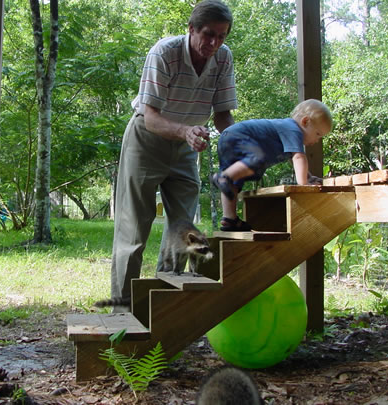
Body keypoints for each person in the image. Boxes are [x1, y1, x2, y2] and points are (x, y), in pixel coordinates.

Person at [110, 0, 237, 311]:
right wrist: (186, 131)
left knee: (184, 229)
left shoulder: (223, 58)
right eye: (208, 35)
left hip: (184, 148)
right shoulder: (164, 52)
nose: (214, 43)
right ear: (191, 29)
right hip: (146, 140)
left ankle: (164, 305)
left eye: (221, 36)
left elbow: (222, 116)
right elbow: (151, 117)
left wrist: (240, 144)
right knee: (133, 230)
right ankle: (122, 311)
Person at [211, 99, 332, 231]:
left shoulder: (288, 132)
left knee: (235, 181)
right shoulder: (294, 129)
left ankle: (229, 219)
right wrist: (304, 185)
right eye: (318, 134)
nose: (317, 140)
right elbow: (298, 157)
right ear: (305, 121)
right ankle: (225, 177)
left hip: (228, 137)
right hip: (238, 136)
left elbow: (293, 159)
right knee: (257, 159)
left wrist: (308, 177)